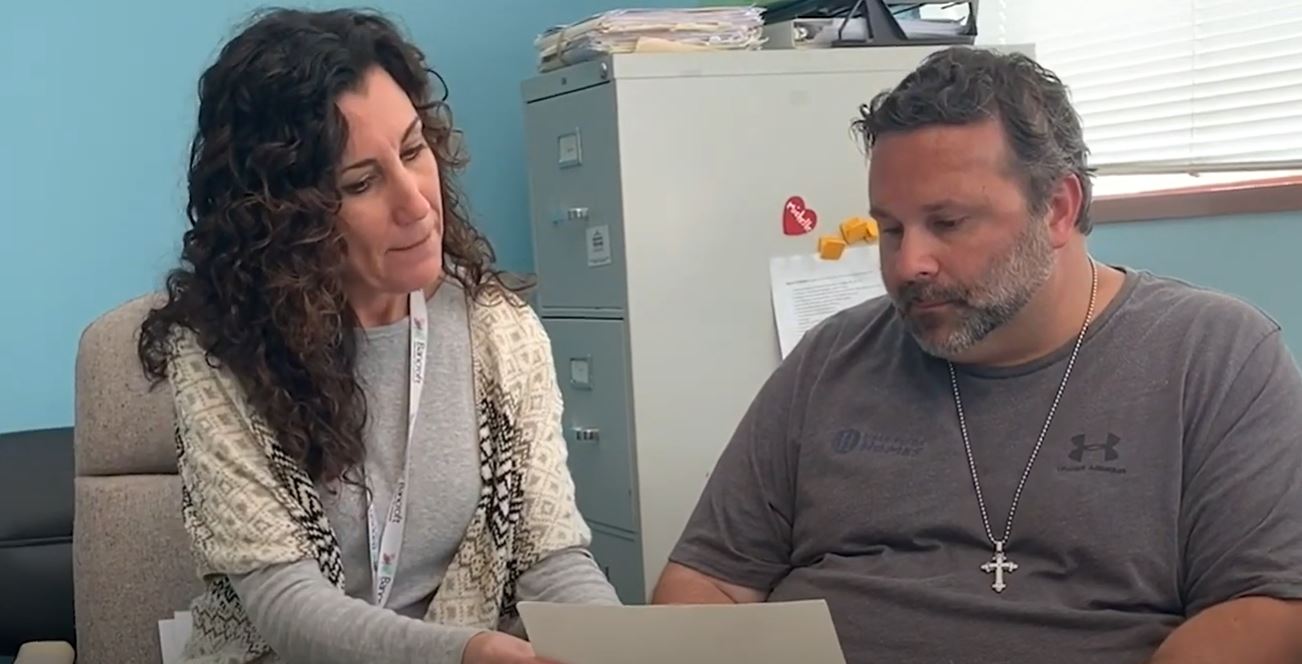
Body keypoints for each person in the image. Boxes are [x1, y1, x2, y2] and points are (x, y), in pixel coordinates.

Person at [653, 46, 1302, 663]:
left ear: (1057, 208)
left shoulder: (1215, 357)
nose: (909, 264)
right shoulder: (831, 359)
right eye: (890, 229)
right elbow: (710, 579)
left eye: (949, 223)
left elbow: (1265, 608)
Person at [137, 9, 617, 664]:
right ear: (282, 216)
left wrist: (613, 644)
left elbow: (552, 557)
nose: (416, 202)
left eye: (414, 150)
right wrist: (464, 654)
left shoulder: (500, 332)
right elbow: (284, 603)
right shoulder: (221, 353)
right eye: (362, 182)